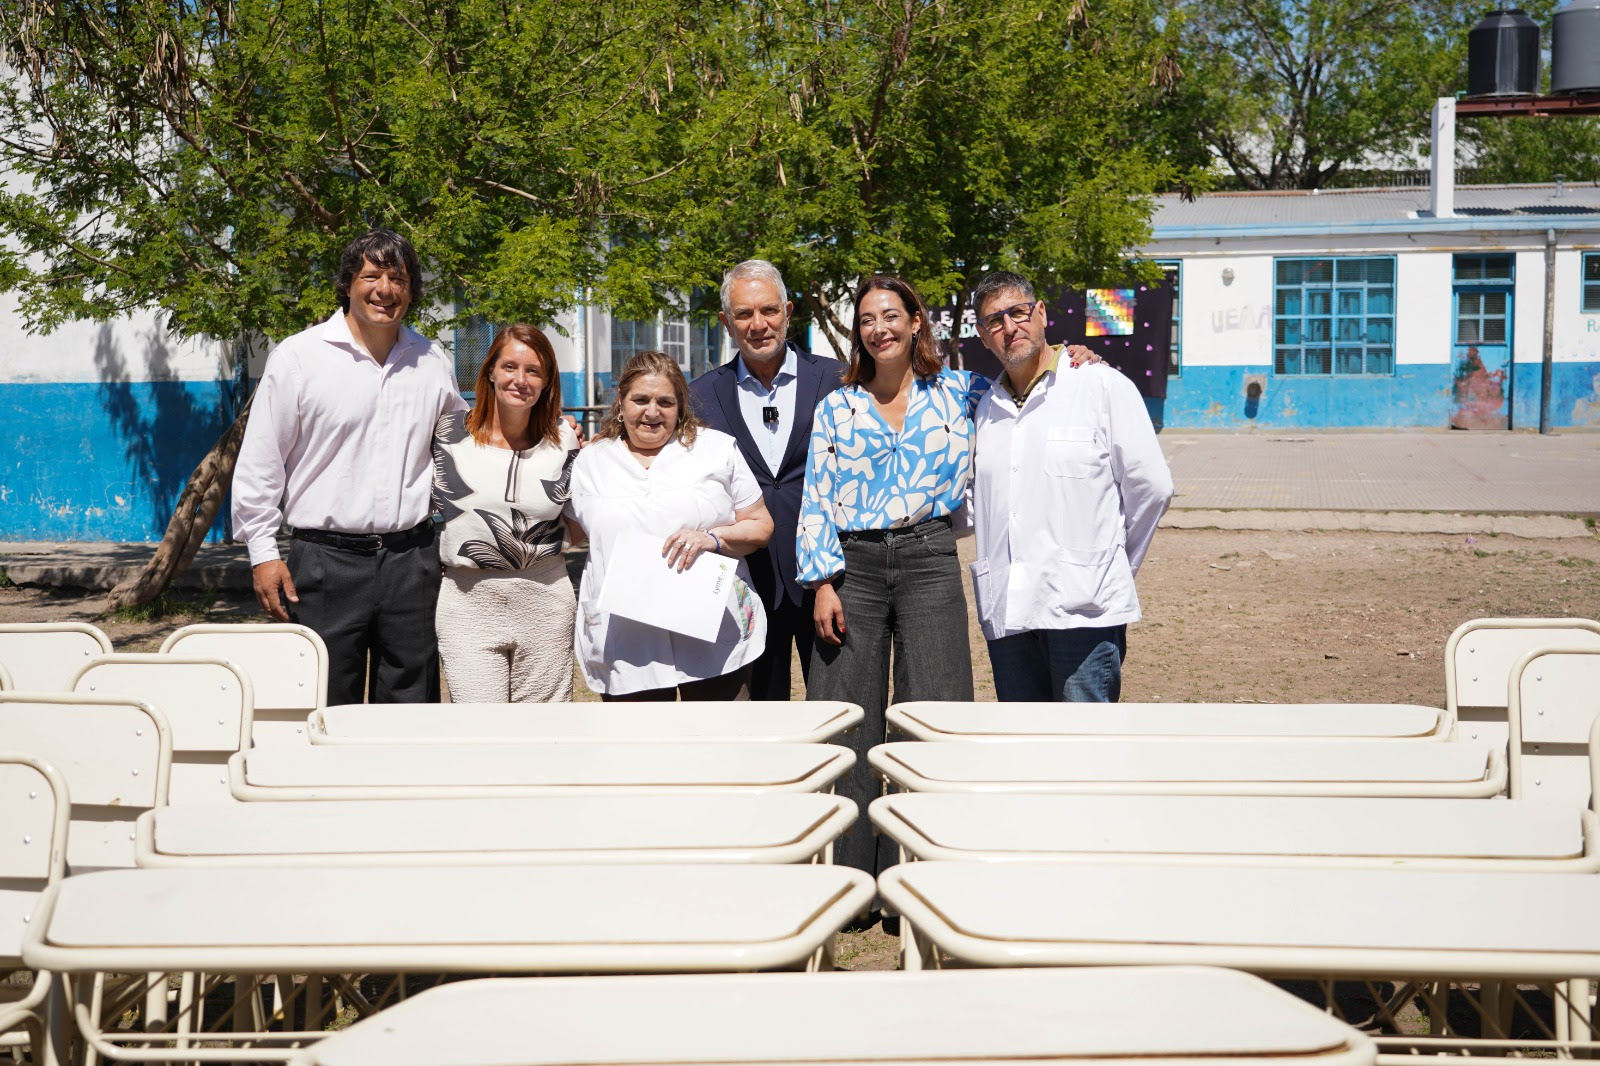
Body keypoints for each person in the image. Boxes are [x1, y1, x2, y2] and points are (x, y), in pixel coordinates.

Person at [797, 274, 983, 883]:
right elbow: (817, 496)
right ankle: (850, 876)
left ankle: (926, 869)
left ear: (915, 320)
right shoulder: (838, 406)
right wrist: (822, 581)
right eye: (867, 320)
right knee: (848, 715)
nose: (879, 328)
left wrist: (1071, 354)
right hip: (854, 568)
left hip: (930, 556)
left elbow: (1026, 384)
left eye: (890, 315)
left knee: (935, 709)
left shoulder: (960, 391)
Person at [233, 229, 466, 705]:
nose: (385, 289)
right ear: (347, 284)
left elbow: (460, 450)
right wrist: (263, 551)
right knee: (320, 705)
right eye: (371, 275)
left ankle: (397, 784)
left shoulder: (432, 361)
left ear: (411, 289)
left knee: (411, 708)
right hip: (322, 565)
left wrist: (546, 431)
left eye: (397, 278)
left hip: (413, 562)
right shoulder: (299, 357)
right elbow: (261, 460)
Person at [968, 270, 1173, 702]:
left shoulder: (1101, 386)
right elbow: (978, 504)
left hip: (1083, 612)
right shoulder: (986, 408)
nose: (1009, 328)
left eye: (1018, 313)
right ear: (983, 337)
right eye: (993, 322)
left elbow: (1151, 488)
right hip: (1009, 612)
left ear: (1040, 313)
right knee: (1022, 745)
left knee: (1084, 751)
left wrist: (1110, 565)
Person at [567, 350, 776, 701]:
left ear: (680, 406)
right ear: (620, 403)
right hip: (628, 645)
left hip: (713, 638)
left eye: (665, 401)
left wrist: (712, 538)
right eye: (640, 399)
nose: (652, 411)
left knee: (720, 748)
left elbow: (760, 525)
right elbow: (570, 534)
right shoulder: (592, 461)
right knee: (640, 753)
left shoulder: (716, 450)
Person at [689, 260, 844, 700]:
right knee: (761, 718)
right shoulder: (699, 397)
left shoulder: (838, 380)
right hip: (745, 582)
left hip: (830, 582)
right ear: (726, 322)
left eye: (769, 310)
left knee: (837, 711)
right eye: (743, 314)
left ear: (788, 311)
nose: (758, 324)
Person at [431, 325, 581, 702]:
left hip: (545, 600)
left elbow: (580, 521)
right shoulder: (447, 433)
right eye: (510, 366)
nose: (520, 379)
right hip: (468, 603)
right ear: (490, 372)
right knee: (480, 734)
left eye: (534, 370)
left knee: (544, 736)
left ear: (547, 382)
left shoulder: (564, 438)